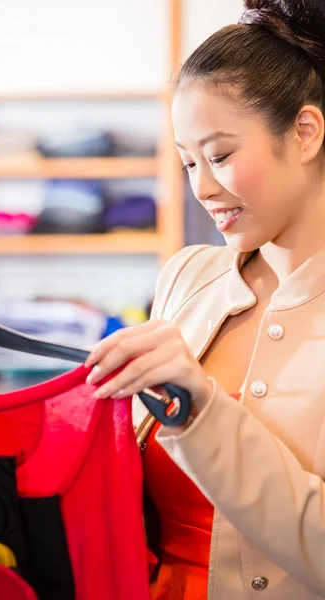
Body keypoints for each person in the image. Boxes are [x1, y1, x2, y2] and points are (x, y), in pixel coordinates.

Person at [84, 0, 325, 598]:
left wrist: (203, 414)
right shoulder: (188, 277)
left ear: (304, 134)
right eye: (188, 161)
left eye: (219, 156)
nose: (202, 187)